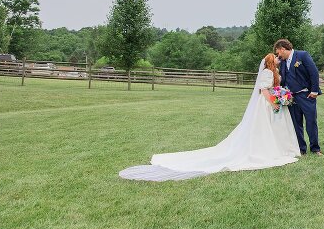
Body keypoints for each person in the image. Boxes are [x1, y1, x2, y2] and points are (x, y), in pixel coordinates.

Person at [119, 53, 300, 181]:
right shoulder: (268, 73)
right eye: (275, 58)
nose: (278, 59)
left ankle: (276, 147)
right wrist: (274, 102)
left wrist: (280, 94)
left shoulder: (273, 72)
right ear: (270, 62)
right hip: (266, 104)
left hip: (271, 102)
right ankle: (266, 150)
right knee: (262, 129)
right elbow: (263, 91)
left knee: (268, 129)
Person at [273, 39, 323, 156]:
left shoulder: (302, 55)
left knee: (311, 121)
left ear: (283, 49)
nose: (278, 55)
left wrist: (314, 91)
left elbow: (314, 72)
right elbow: (283, 79)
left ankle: (315, 148)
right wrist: (280, 93)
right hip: (290, 97)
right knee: (296, 123)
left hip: (306, 95)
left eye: (278, 52)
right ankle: (301, 149)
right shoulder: (283, 62)